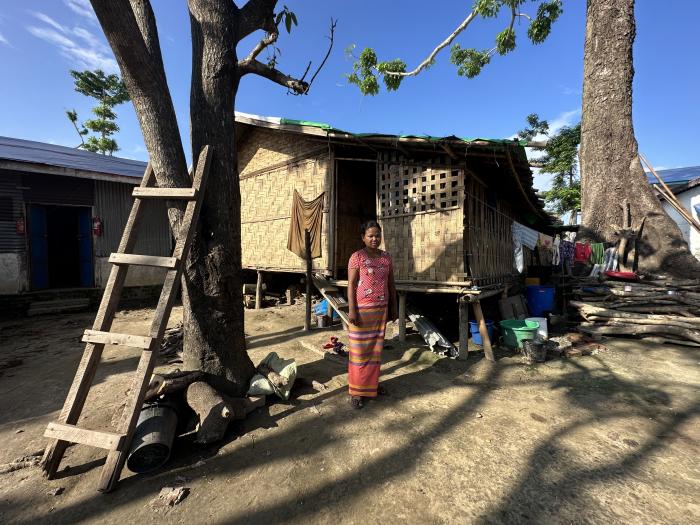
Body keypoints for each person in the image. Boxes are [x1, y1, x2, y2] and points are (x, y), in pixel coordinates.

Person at [346, 220, 397, 409]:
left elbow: (391, 284)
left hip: (380, 310)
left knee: (375, 352)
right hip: (361, 311)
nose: (374, 239)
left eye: (377, 235)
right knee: (359, 353)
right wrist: (352, 310)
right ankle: (357, 392)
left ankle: (372, 386)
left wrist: (393, 307)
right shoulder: (356, 257)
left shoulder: (386, 257)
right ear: (363, 238)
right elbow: (351, 285)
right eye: (370, 235)